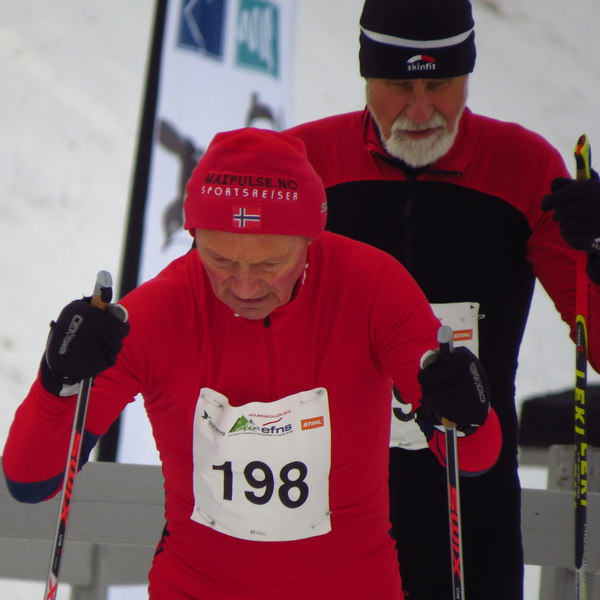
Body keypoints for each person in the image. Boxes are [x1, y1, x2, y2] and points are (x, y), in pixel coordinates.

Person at [2, 128, 501, 599]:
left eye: (269, 264)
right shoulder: (161, 310)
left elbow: (473, 458)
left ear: (311, 237)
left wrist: (465, 407)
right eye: (219, 260)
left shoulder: (372, 287)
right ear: (193, 235)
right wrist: (57, 381)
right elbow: (31, 482)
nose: (243, 287)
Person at [286, 0, 600, 598]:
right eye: (398, 85)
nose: (420, 110)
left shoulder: (524, 168)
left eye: (440, 84)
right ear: (366, 75)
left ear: (467, 74)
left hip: (469, 509)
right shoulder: (303, 163)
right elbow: (222, 302)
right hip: (319, 506)